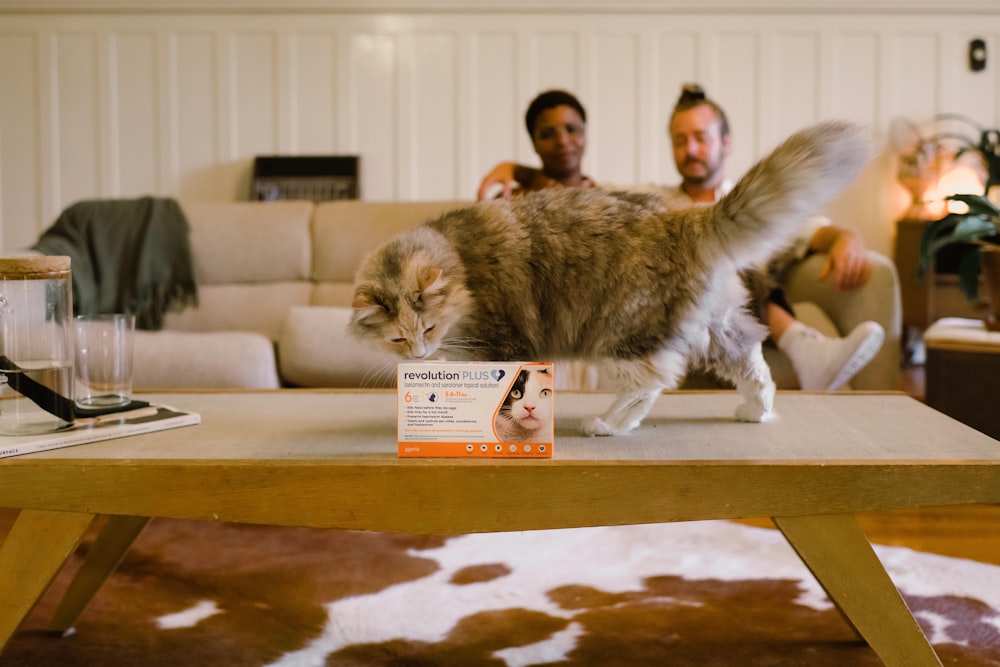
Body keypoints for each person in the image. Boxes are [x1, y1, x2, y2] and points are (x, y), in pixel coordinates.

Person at [476, 84, 884, 391]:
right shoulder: (653, 200)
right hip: (672, 306)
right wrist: (518, 170)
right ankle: (802, 346)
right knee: (709, 252)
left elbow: (811, 230)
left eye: (701, 138)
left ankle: (803, 345)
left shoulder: (755, 208)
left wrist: (845, 237)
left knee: (725, 255)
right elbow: (580, 204)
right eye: (680, 140)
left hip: (732, 307)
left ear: (724, 142)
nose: (691, 149)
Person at [477, 89, 596, 201]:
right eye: (547, 135)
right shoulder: (511, 200)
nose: (562, 141)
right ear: (533, 143)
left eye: (571, 129)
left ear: (585, 134)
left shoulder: (608, 199)